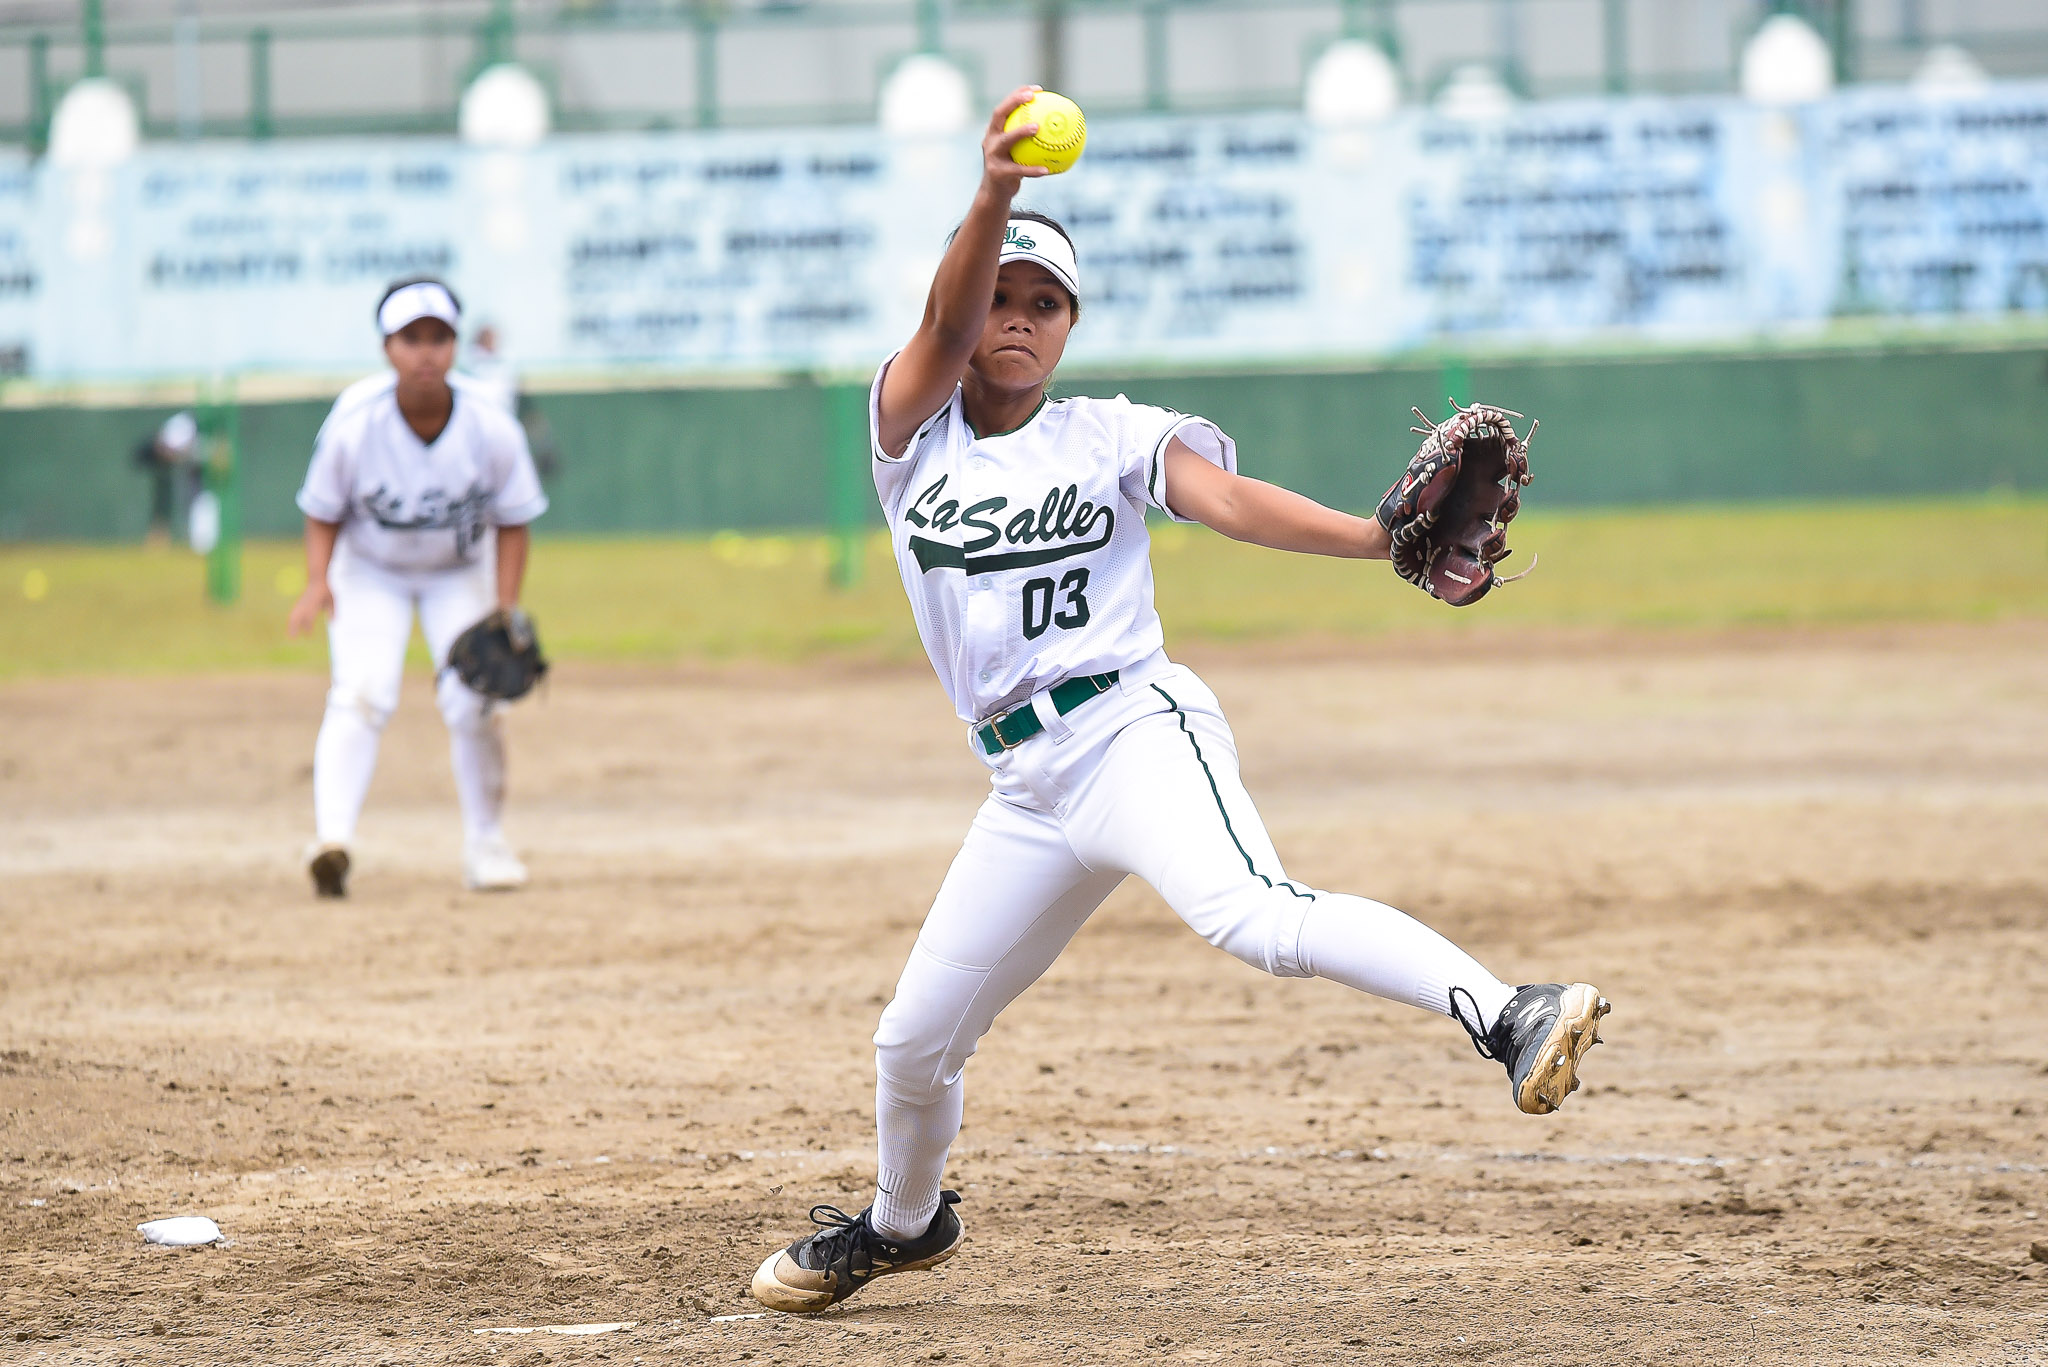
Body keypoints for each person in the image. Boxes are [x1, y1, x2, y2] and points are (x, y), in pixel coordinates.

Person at [748, 89, 1613, 1314]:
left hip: (1131, 733)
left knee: (1253, 914)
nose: (1017, 318)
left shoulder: (1110, 434)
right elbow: (937, 326)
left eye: (1043, 304)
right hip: (1023, 786)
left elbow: (1222, 500)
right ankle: (904, 1222)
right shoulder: (910, 440)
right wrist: (994, 192)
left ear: (1067, 329)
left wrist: (1375, 541)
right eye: (1001, 295)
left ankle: (1504, 1008)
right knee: (911, 1039)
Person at [286, 277, 549, 898]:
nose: (425, 351)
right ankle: (333, 841)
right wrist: (317, 580)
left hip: (458, 571)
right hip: (370, 569)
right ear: (387, 348)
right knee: (361, 693)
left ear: (455, 346)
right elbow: (322, 508)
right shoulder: (356, 419)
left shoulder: (490, 423)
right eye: (411, 339)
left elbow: (514, 522)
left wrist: (505, 607)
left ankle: (486, 845)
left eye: (439, 337)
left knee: (473, 700)